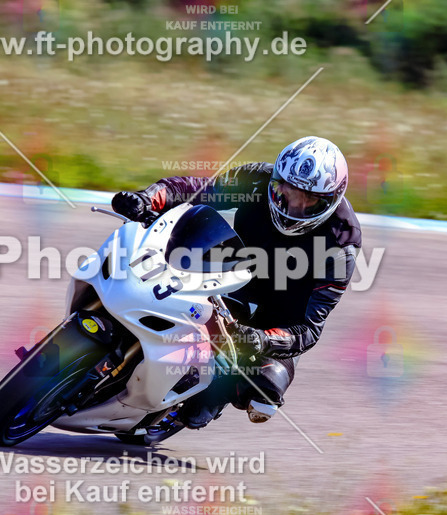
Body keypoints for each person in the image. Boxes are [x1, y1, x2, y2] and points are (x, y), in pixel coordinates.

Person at [111, 136, 361, 428]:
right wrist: (147, 198)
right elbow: (197, 189)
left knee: (261, 390)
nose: (294, 205)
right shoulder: (255, 180)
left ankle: (212, 393)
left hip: (281, 316)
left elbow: (309, 329)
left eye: (310, 200)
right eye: (288, 191)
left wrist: (263, 339)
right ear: (276, 181)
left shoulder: (341, 245)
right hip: (232, 273)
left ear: (332, 199)